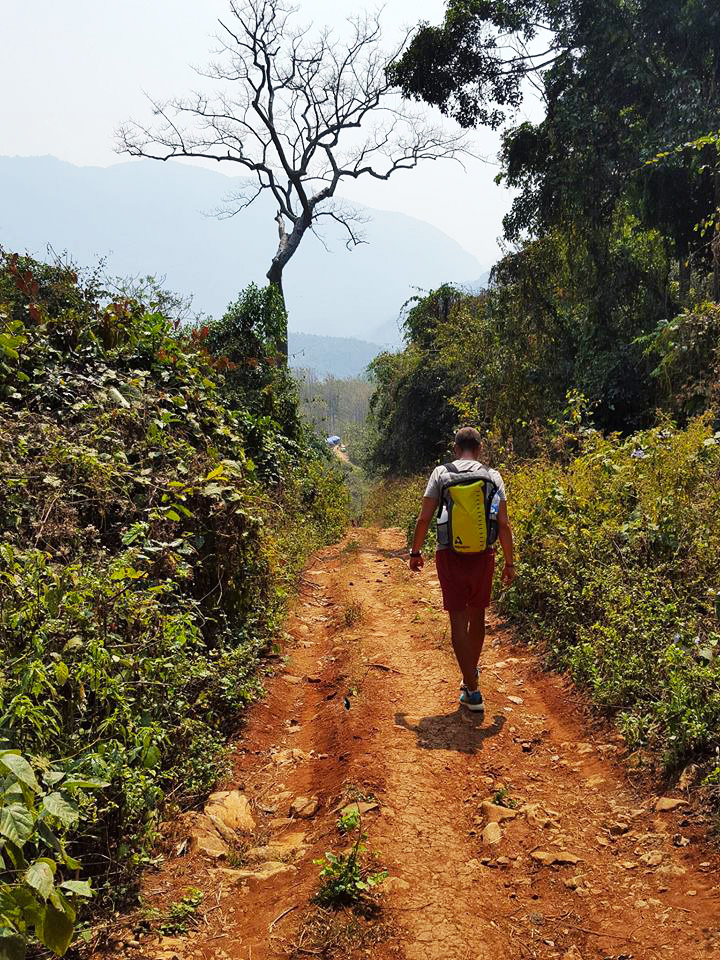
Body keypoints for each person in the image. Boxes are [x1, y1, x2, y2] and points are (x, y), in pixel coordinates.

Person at [408, 426, 516, 714]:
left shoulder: (441, 474)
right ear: (479, 449)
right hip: (484, 554)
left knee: (458, 621)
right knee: (477, 616)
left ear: (455, 449)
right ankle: (470, 681)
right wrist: (509, 561)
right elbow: (503, 524)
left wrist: (415, 552)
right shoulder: (493, 476)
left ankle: (473, 687)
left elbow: (424, 517)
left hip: (449, 554)